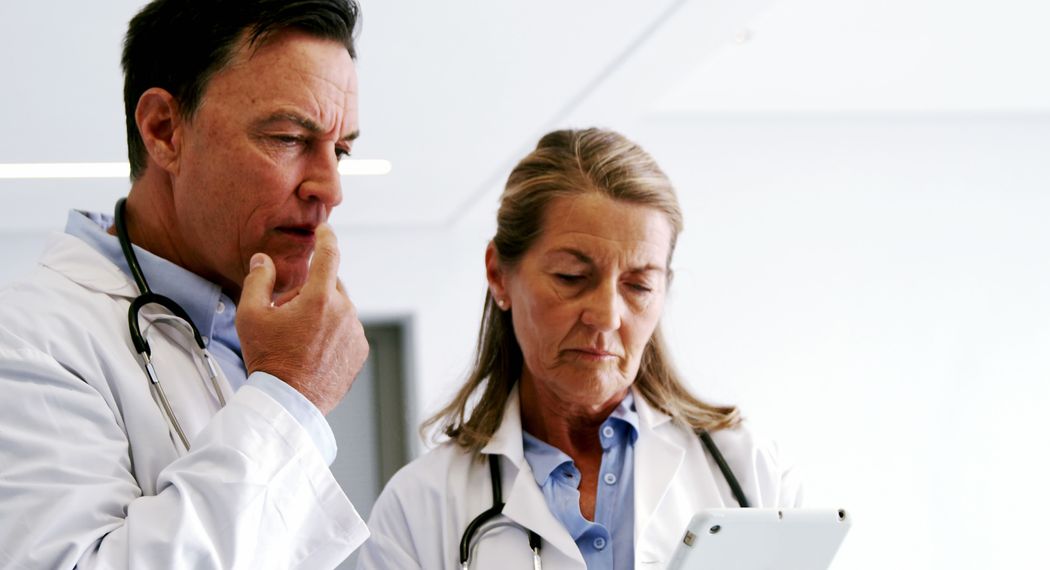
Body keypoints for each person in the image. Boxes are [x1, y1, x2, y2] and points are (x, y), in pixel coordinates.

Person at [0, 1, 371, 567]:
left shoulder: (244, 337)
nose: (331, 187)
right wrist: (291, 397)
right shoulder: (28, 339)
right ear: (164, 130)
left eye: (340, 150)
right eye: (290, 137)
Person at [355, 128, 803, 569]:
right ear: (498, 275)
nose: (607, 316)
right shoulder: (419, 507)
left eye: (639, 285)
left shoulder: (748, 473)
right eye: (571, 277)